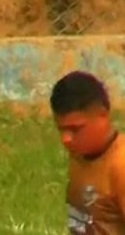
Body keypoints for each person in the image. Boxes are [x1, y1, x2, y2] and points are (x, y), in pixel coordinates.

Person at [50, 70, 125, 234]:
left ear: (102, 115)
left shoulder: (120, 165)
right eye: (61, 129)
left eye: (75, 129)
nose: (66, 139)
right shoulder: (79, 155)